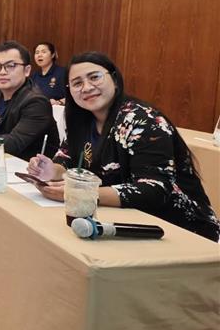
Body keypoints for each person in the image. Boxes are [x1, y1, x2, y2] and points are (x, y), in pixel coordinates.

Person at [27, 52, 219, 241]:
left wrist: (84, 194)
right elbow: (67, 160)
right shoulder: (82, 120)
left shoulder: (143, 121)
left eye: (95, 77)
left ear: (115, 79)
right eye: (77, 83)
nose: (86, 87)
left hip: (177, 230)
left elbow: (155, 190)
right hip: (119, 221)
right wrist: (51, 170)